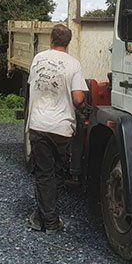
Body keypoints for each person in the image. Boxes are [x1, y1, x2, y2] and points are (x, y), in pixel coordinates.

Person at [26, 23, 86, 232]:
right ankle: (51, 222)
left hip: (38, 124)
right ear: (68, 42)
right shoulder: (73, 64)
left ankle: (41, 216)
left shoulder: (38, 59)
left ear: (51, 39)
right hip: (61, 127)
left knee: (44, 173)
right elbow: (78, 99)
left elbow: (33, 85)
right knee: (58, 173)